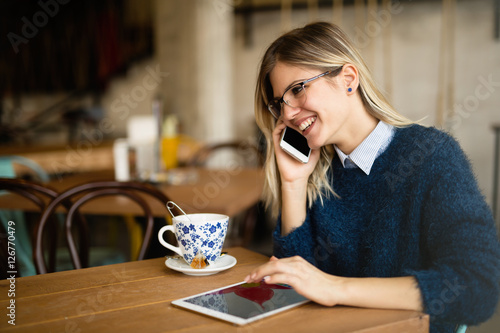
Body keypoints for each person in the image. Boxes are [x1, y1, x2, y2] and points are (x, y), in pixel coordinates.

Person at [244, 22, 500, 333]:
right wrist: (293, 184)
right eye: (278, 103)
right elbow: (295, 283)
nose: (287, 115)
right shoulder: (318, 171)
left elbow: (478, 287)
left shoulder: (433, 156)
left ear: (348, 79)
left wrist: (336, 288)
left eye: (297, 89)